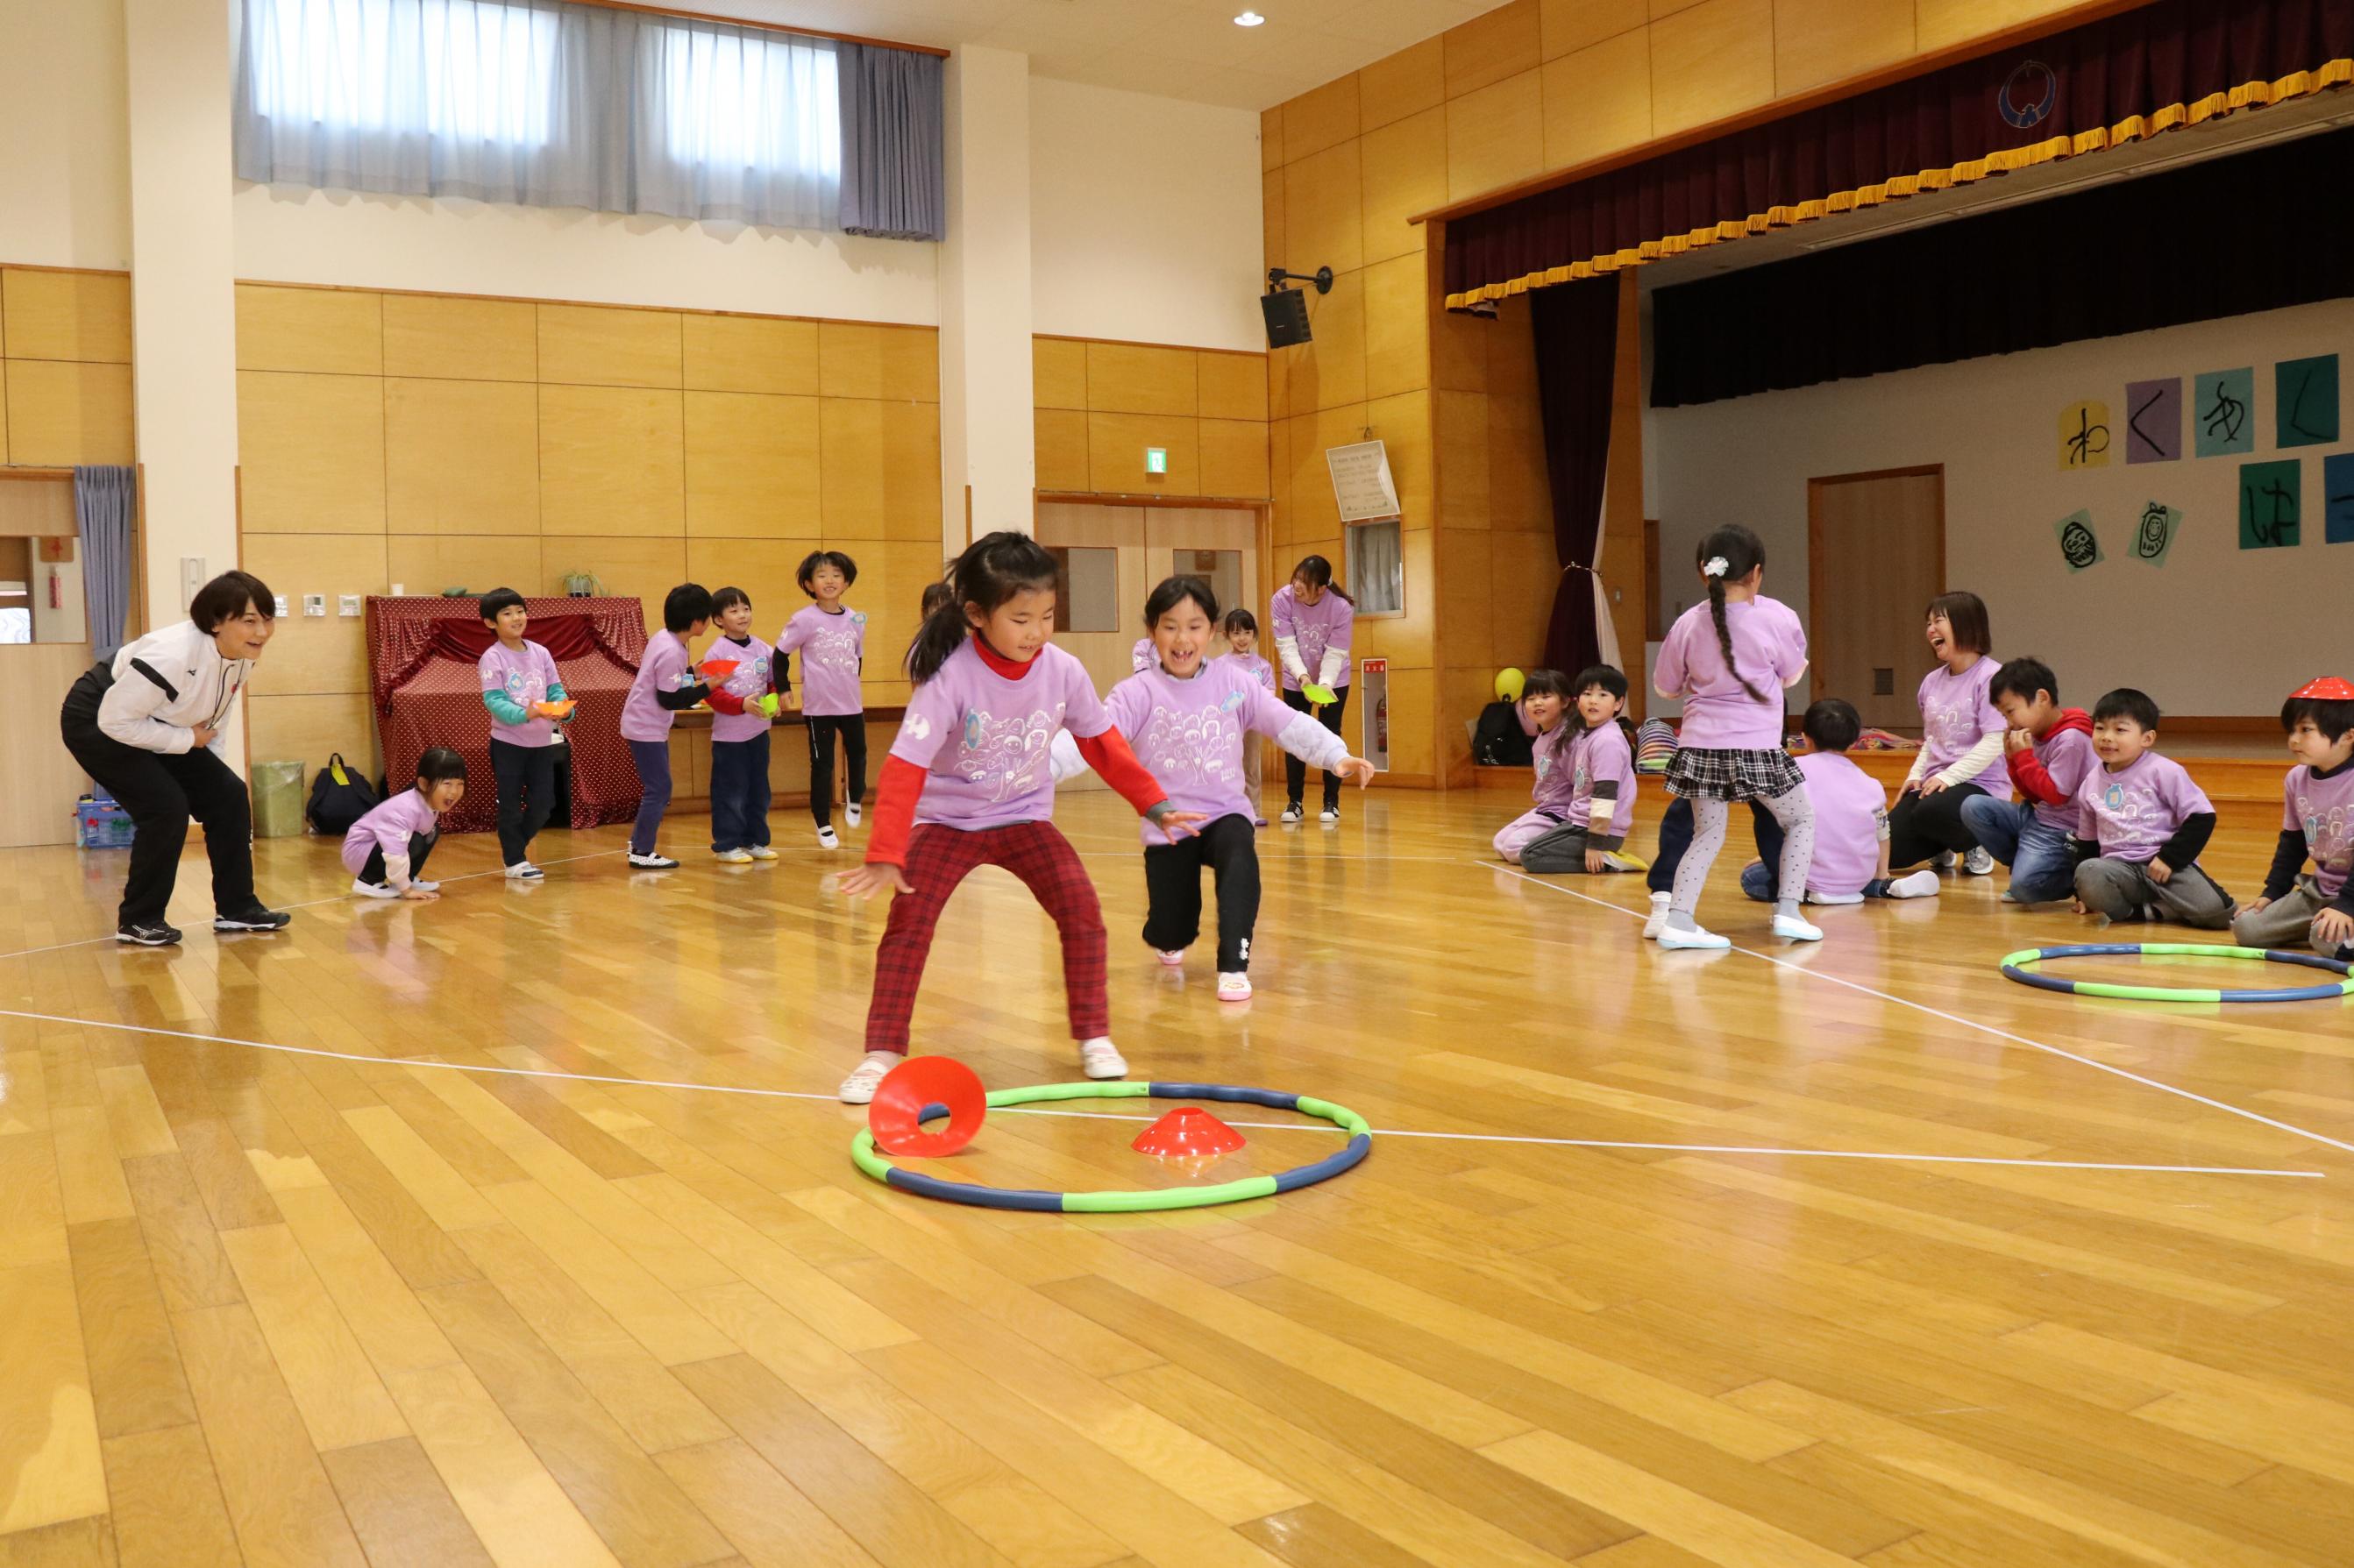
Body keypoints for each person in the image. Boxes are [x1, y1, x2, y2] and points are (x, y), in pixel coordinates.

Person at [831, 532, 1206, 1103]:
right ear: (977, 615)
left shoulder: (1063, 670)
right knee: (909, 922)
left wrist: (1154, 803)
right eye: (1022, 618)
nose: (1037, 632)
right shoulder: (949, 675)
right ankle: (881, 1052)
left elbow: (1102, 743)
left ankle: (1094, 1034)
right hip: (948, 821)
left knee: (1082, 910)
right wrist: (886, 851)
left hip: (1023, 816)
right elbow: (906, 765)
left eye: (1048, 616)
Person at [1059, 577, 1372, 1002]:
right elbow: (1094, 738)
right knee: (1172, 930)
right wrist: (1036, 767)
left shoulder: (1234, 683)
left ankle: (1234, 964)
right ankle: (1168, 935)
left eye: (1194, 627)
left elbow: (1285, 722)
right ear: (1152, 631)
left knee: (1241, 858)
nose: (1182, 639)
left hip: (1226, 812)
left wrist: (1336, 755)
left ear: (1211, 631)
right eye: (1170, 627)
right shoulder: (1136, 693)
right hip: (1169, 823)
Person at [59, 569, 292, 945]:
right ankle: (139, 920)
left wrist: (211, 773)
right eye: (250, 621)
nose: (262, 632)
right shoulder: (172, 655)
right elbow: (115, 722)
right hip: (97, 720)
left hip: (157, 721)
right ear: (216, 622)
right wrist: (187, 739)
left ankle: (237, 908)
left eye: (268, 620)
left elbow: (215, 719)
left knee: (229, 795)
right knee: (165, 808)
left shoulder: (242, 655)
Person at [1650, 525, 1819, 948]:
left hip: (1700, 747)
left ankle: (1679, 920)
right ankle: (1789, 911)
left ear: (1703, 571)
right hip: (1756, 748)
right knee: (1800, 819)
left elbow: (1666, 687)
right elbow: (1791, 675)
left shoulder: (1687, 623)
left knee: (1706, 834)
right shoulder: (1778, 616)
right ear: (1757, 572)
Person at [1739, 699, 1939, 905]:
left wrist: (1770, 857)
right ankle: (1881, 886)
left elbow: (1779, 827)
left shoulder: (1790, 770)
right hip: (1859, 875)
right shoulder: (1870, 783)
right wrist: (1882, 873)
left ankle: (1810, 894)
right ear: (1853, 742)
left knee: (1752, 878)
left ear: (1805, 738)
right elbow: (1882, 833)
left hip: (1810, 873)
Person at [2066, 688, 2231, 929]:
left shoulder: (2164, 771)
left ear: (2147, 738)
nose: (2106, 737)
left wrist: (2169, 859)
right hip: (2120, 870)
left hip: (2165, 866)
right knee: (2088, 871)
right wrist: (2083, 894)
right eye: (2100, 728)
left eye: (2120, 730)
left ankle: (2158, 909)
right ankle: (2135, 913)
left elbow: (2202, 817)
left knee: (2218, 913)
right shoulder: (2090, 783)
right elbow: (2088, 842)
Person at [2231, 677, 2354, 955]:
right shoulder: (2296, 779)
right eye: (2291, 730)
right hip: (2321, 891)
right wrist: (2272, 893)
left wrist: (2347, 906)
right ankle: (2324, 924)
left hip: (2351, 896)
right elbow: (2293, 842)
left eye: (2306, 730)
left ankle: (2329, 928)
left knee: (2326, 941)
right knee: (2247, 928)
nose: (2294, 740)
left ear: (2349, 736)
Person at [1959, 656, 2094, 905]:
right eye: (2004, 715)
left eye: (2011, 711)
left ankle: (2076, 879)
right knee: (1973, 806)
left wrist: (2024, 758)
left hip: (2064, 831)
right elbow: (2034, 795)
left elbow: (2056, 796)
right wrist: (2013, 761)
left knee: (2023, 890)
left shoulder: (2071, 738)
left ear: (2042, 698)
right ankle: (2025, 863)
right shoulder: (2037, 734)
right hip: (2040, 818)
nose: (2010, 723)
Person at [1889, 591, 2004, 875]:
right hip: (1936, 786)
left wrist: (1948, 777)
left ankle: (1978, 841)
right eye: (1928, 623)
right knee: (1886, 849)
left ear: (1966, 624)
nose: (1930, 630)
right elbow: (1932, 740)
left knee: (1932, 810)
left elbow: (1995, 742)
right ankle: (1943, 843)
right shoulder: (1931, 682)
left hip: (1980, 784)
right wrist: (1915, 775)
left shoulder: (1992, 677)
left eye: (1938, 621)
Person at [475, 588, 573, 880]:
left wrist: (564, 709)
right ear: (490, 622)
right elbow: (494, 701)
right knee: (510, 805)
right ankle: (515, 861)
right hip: (508, 744)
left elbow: (555, 689)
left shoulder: (541, 652)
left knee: (544, 804)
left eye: (520, 611)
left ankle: (515, 849)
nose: (516, 618)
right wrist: (525, 714)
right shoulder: (492, 657)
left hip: (542, 744)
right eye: (507, 614)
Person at [618, 583, 715, 870]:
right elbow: (669, 698)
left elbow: (665, 678)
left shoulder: (665, 639)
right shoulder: (673, 650)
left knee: (658, 786)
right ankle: (642, 850)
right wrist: (708, 687)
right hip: (645, 726)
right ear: (697, 622)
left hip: (645, 724)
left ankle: (639, 843)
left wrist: (692, 672)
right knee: (659, 788)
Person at [777, 550, 867, 849]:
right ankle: (823, 821)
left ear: (846, 582)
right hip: (820, 707)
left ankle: (855, 798)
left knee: (858, 754)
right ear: (809, 583)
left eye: (837, 575)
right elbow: (780, 655)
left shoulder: (855, 619)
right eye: (822, 575)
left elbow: (857, 658)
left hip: (851, 704)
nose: (830, 580)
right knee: (822, 764)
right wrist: (783, 688)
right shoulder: (804, 619)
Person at [1518, 665, 1646, 876]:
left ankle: (1608, 862)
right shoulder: (1589, 735)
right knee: (1528, 849)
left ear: (1618, 703)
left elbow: (1605, 795)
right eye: (1587, 694)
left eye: (1603, 695)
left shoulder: (1607, 741)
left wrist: (1595, 845)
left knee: (1531, 857)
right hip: (1579, 823)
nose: (1593, 701)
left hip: (1600, 832)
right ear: (1577, 701)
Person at [1271, 554, 1355, 824]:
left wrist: (1325, 684)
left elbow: (1336, 652)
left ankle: (1331, 802)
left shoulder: (1341, 607)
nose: (1297, 585)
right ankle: (1295, 801)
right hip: (1297, 678)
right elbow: (1286, 645)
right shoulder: (1282, 599)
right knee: (1295, 736)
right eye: (1296, 578)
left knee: (1331, 735)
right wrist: (1304, 678)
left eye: (1304, 582)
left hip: (1334, 681)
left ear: (1321, 588)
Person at [704, 586, 781, 863]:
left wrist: (774, 700)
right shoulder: (717, 652)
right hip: (729, 738)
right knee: (731, 791)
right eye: (734, 610)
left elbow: (773, 681)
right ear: (719, 619)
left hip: (759, 732)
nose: (742, 615)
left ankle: (755, 840)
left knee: (759, 790)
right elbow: (712, 693)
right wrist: (741, 705)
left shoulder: (763, 649)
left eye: (746, 609)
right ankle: (727, 844)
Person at [344, 748, 466, 900]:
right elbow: (395, 852)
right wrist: (406, 891)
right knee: (414, 841)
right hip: (360, 852)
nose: (454, 791)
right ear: (424, 784)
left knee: (431, 832)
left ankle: (408, 877)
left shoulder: (427, 801)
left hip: (376, 847)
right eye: (447, 783)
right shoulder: (405, 810)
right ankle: (368, 880)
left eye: (460, 784)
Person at [1491, 669, 1577, 863]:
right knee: (1499, 843)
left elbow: (1581, 784)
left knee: (1513, 848)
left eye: (1545, 697)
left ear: (1565, 701)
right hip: (1546, 809)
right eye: (1531, 698)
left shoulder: (1569, 739)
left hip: (1563, 815)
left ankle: (1576, 851)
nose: (1537, 703)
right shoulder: (1540, 739)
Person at [1220, 607, 1277, 825]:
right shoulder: (1221, 665)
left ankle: (1253, 811)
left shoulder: (1262, 665)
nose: (1242, 638)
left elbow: (1269, 693)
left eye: (1247, 632)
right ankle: (1230, 811)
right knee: (1229, 766)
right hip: (1228, 725)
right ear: (1227, 635)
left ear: (1254, 634)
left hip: (1252, 724)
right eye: (1236, 633)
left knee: (1251, 766)